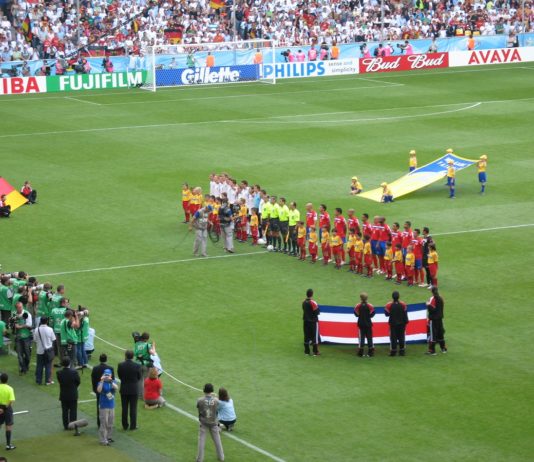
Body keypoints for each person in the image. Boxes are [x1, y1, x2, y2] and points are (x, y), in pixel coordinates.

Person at [196, 383, 224, 462]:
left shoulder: (200, 400)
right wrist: (215, 397)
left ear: (204, 390)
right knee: (217, 440)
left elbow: (198, 407)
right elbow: (220, 406)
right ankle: (221, 457)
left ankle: (200, 459)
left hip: (203, 422)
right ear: (212, 390)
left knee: (201, 441)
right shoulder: (216, 400)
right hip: (213, 422)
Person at [118, 350, 141, 431]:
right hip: (133, 389)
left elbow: (120, 376)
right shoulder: (137, 365)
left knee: (124, 408)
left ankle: (125, 425)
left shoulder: (121, 365)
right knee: (133, 408)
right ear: (133, 356)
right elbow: (139, 377)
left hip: (124, 388)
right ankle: (133, 426)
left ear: (125, 356)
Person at [56, 357, 80, 430]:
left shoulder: (59, 373)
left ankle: (66, 426)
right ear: (69, 363)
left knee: (65, 411)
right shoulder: (74, 372)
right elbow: (78, 382)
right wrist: (74, 387)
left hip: (64, 394)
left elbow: (60, 381)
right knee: (73, 411)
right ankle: (72, 425)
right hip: (73, 394)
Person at [91, 353, 115, 427]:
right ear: (106, 359)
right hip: (108, 391)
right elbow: (113, 380)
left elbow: (93, 380)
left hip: (99, 390)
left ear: (99, 359)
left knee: (100, 406)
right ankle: (108, 424)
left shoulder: (95, 368)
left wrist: (95, 390)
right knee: (110, 406)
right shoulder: (110, 368)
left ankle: (100, 423)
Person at [97, 368, 118, 445]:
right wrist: (102, 381)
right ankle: (103, 439)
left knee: (110, 422)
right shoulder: (100, 382)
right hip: (104, 405)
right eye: (105, 375)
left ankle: (108, 437)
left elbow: (116, 388)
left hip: (111, 405)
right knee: (104, 423)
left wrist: (111, 381)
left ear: (110, 375)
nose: (106, 376)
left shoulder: (112, 382)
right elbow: (99, 390)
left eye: (108, 375)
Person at [384, 291, 409, 356]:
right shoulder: (403, 304)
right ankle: (402, 351)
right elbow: (405, 313)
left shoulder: (389, 305)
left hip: (393, 324)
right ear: (399, 297)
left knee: (393, 338)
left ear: (392, 297)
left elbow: (386, 314)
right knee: (401, 337)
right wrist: (406, 321)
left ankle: (393, 352)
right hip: (402, 323)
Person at [34, 316, 55, 386]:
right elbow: (53, 339)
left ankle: (38, 381)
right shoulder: (50, 329)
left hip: (39, 351)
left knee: (39, 366)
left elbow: (35, 340)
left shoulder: (36, 329)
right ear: (47, 321)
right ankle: (47, 381)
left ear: (40, 321)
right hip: (48, 351)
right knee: (48, 366)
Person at [12, 301, 32, 375]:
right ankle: (23, 369)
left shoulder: (27, 314)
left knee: (27, 354)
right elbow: (14, 325)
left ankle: (25, 366)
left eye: (21, 307)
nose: (20, 308)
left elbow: (29, 325)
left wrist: (21, 326)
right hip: (18, 337)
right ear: (16, 308)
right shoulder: (14, 314)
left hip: (26, 337)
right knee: (19, 354)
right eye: (19, 307)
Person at [426, 287, 447, 355]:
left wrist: (428, 305)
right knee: (440, 333)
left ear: (432, 291)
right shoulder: (441, 298)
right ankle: (443, 348)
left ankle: (432, 351)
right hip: (440, 319)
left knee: (433, 335)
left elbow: (432, 310)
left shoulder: (432, 299)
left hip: (433, 319)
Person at [354, 293, 375, 357]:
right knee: (369, 338)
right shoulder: (370, 306)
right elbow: (372, 314)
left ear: (361, 298)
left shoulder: (358, 306)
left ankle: (361, 353)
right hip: (368, 324)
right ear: (367, 298)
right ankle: (370, 353)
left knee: (361, 338)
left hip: (361, 324)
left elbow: (356, 314)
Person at [302, 288, 320, 356]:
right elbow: (317, 312)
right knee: (314, 336)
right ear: (312, 294)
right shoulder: (313, 302)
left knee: (306, 336)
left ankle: (306, 352)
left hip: (305, 321)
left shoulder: (303, 302)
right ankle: (315, 352)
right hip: (313, 322)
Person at [0, 373, 15, 451]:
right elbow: (11, 400)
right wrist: (4, 408)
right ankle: (8, 445)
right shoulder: (10, 388)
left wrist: (0, 408)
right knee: (8, 426)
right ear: (7, 380)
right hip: (7, 409)